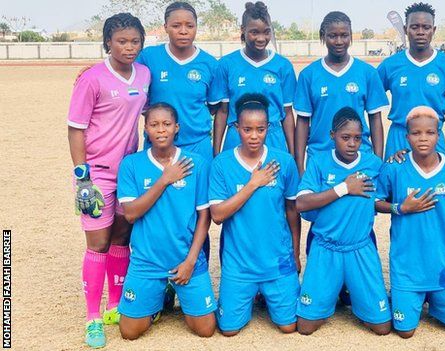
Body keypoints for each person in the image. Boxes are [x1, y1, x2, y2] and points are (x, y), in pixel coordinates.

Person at [67, 13, 150, 348]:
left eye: (134, 42)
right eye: (121, 41)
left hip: (129, 171)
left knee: (121, 237)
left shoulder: (144, 74)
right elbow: (76, 128)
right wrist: (82, 179)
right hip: (97, 173)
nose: (128, 48)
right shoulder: (92, 79)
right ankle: (93, 318)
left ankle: (116, 305)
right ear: (107, 43)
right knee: (97, 244)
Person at [116, 103, 217, 340]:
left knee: (205, 329)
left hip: (185, 259)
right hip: (146, 261)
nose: (161, 130)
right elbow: (130, 214)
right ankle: (157, 297)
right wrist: (164, 180)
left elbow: (205, 216)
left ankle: (177, 288)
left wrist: (191, 261)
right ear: (146, 130)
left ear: (176, 128)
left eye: (166, 124)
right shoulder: (131, 164)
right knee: (129, 332)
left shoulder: (196, 164)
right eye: (154, 125)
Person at [376, 106, 445, 337]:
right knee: (405, 332)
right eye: (416, 133)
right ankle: (413, 295)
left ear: (438, 135)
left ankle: (436, 298)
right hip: (407, 270)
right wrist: (399, 208)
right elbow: (374, 201)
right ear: (406, 136)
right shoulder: (394, 168)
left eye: (429, 133)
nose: (423, 138)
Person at [209, 93, 301, 335]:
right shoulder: (222, 164)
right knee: (228, 330)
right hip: (239, 266)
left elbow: (292, 210)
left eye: (260, 129)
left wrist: (295, 252)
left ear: (268, 128)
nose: (253, 136)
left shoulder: (283, 162)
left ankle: (271, 289)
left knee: (289, 326)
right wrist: (253, 184)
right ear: (236, 127)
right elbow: (217, 215)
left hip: (278, 262)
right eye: (247, 129)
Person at [295, 107, 391, 336]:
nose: (352, 143)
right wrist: (344, 188)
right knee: (306, 327)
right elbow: (301, 203)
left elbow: (386, 192)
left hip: (360, 248)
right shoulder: (318, 162)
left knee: (382, 327)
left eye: (357, 138)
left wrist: (400, 157)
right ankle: (328, 295)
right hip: (325, 248)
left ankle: (357, 296)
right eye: (345, 137)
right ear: (332, 136)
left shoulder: (373, 164)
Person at [377, 2, 445, 159]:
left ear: (434, 30)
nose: (421, 32)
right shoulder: (390, 65)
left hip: (432, 137)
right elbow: (367, 99)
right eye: (415, 27)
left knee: (439, 182)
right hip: (399, 137)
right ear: (405, 29)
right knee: (394, 181)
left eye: (426, 27)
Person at [294, 11, 389, 173]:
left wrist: (377, 161)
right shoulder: (308, 74)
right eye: (332, 36)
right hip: (320, 157)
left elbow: (375, 119)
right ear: (323, 36)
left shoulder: (367, 72)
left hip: (359, 156)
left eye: (344, 35)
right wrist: (300, 166)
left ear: (351, 36)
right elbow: (302, 123)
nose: (339, 41)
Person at [137, 1, 222, 161]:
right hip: (157, 145)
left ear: (196, 27)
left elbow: (214, 107)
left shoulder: (209, 64)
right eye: (176, 26)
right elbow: (125, 76)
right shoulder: (148, 57)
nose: (183, 31)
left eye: (190, 26)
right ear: (166, 27)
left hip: (197, 145)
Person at [212, 1, 297, 156]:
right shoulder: (226, 64)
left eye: (266, 32)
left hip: (273, 138)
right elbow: (223, 112)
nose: (261, 38)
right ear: (243, 30)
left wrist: (293, 155)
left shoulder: (283, 66)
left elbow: (288, 113)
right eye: (254, 32)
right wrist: (216, 153)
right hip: (237, 137)